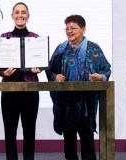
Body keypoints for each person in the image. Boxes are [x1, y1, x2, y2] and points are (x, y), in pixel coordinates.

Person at [46, 15, 111, 160]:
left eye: (73, 28)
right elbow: (50, 70)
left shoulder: (94, 48)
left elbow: (106, 69)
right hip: (66, 104)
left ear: (83, 29)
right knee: (69, 143)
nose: (69, 31)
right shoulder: (60, 50)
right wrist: (55, 77)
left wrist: (101, 77)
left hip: (86, 104)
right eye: (67, 28)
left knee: (87, 141)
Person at [0, 2, 41, 160]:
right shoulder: (3, 38)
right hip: (9, 91)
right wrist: (4, 71)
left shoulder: (36, 38)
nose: (20, 15)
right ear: (12, 16)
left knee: (29, 131)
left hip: (30, 91)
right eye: (17, 12)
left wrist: (40, 67)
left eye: (23, 12)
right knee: (10, 132)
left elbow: (41, 61)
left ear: (28, 16)